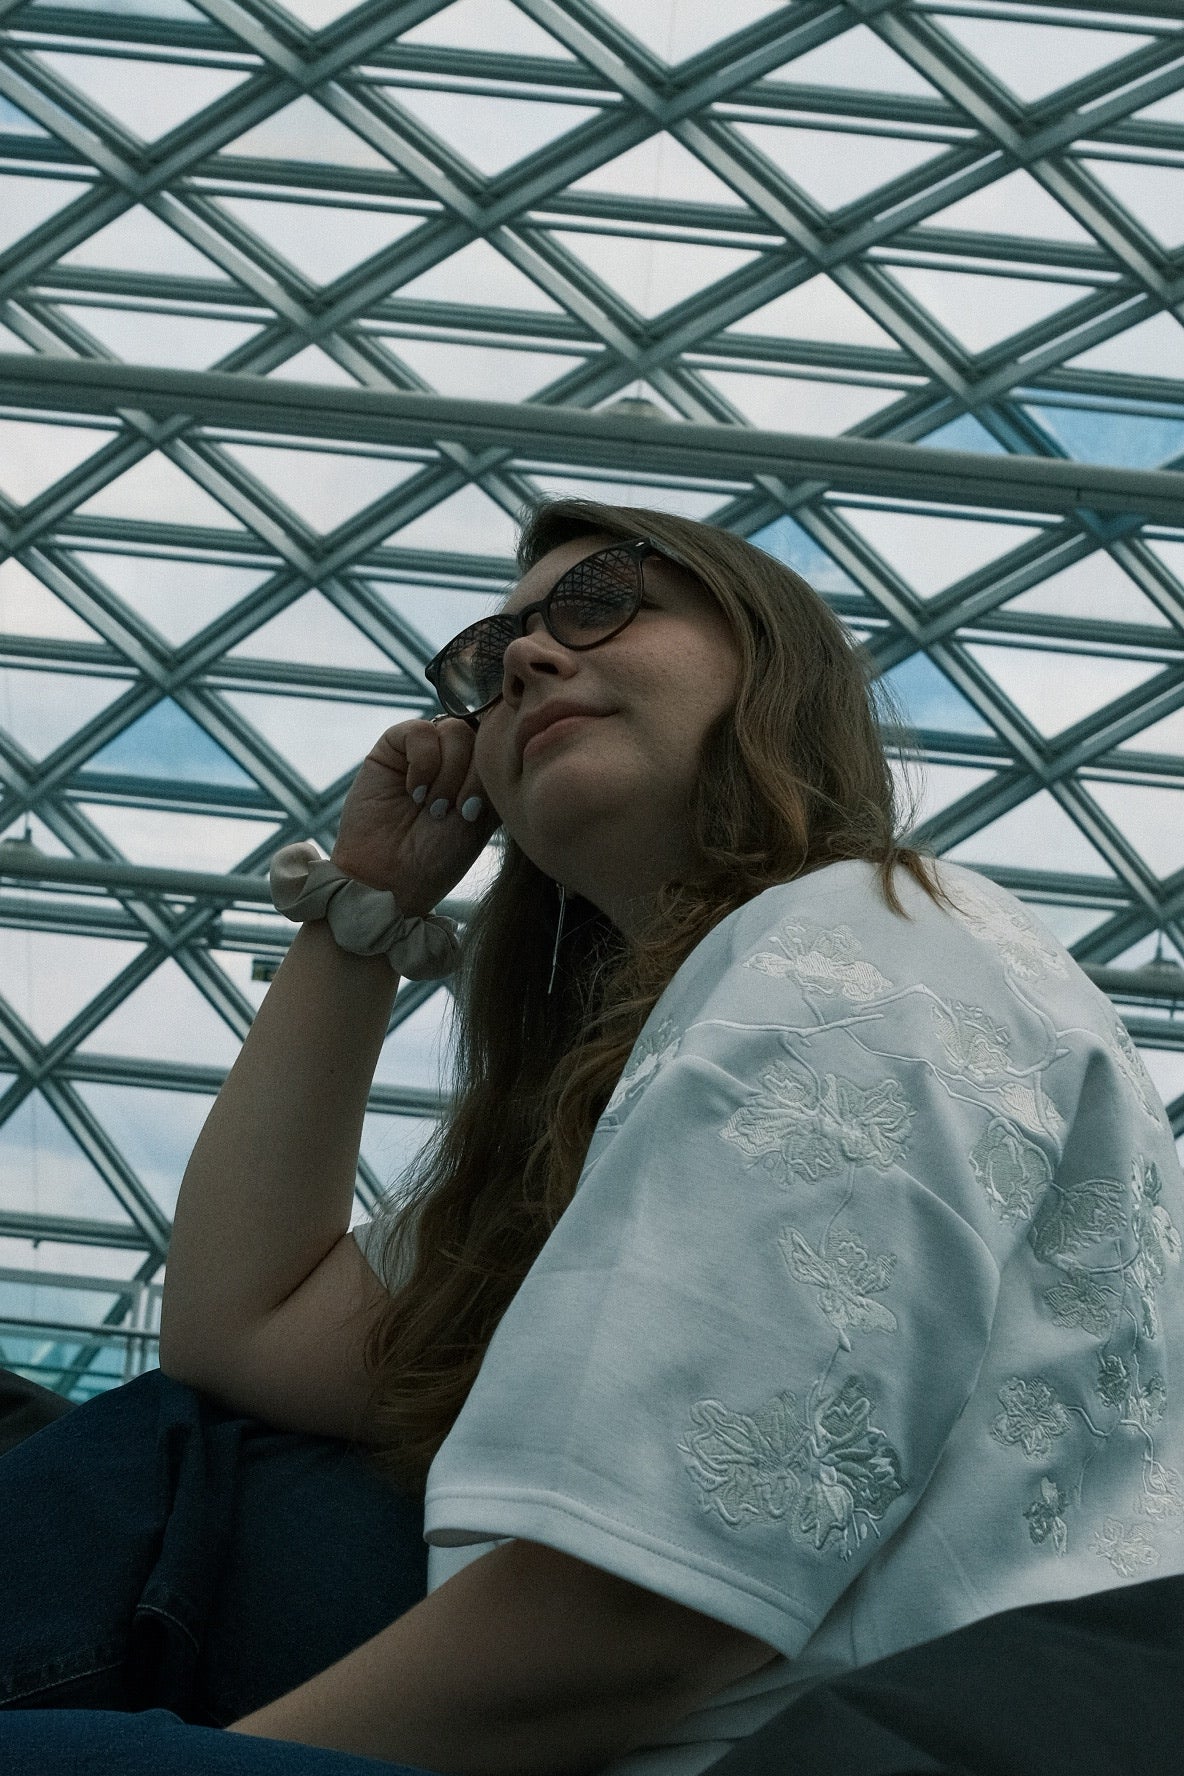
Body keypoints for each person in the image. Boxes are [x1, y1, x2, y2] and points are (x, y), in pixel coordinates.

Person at [2, 496, 1182, 1776]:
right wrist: (363, 913)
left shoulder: (866, 935)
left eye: (603, 599)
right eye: (485, 658)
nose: (521, 659)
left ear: (767, 662)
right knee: (194, 1444)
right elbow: (241, 1335)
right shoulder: (672, 1060)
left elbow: (640, 1613)